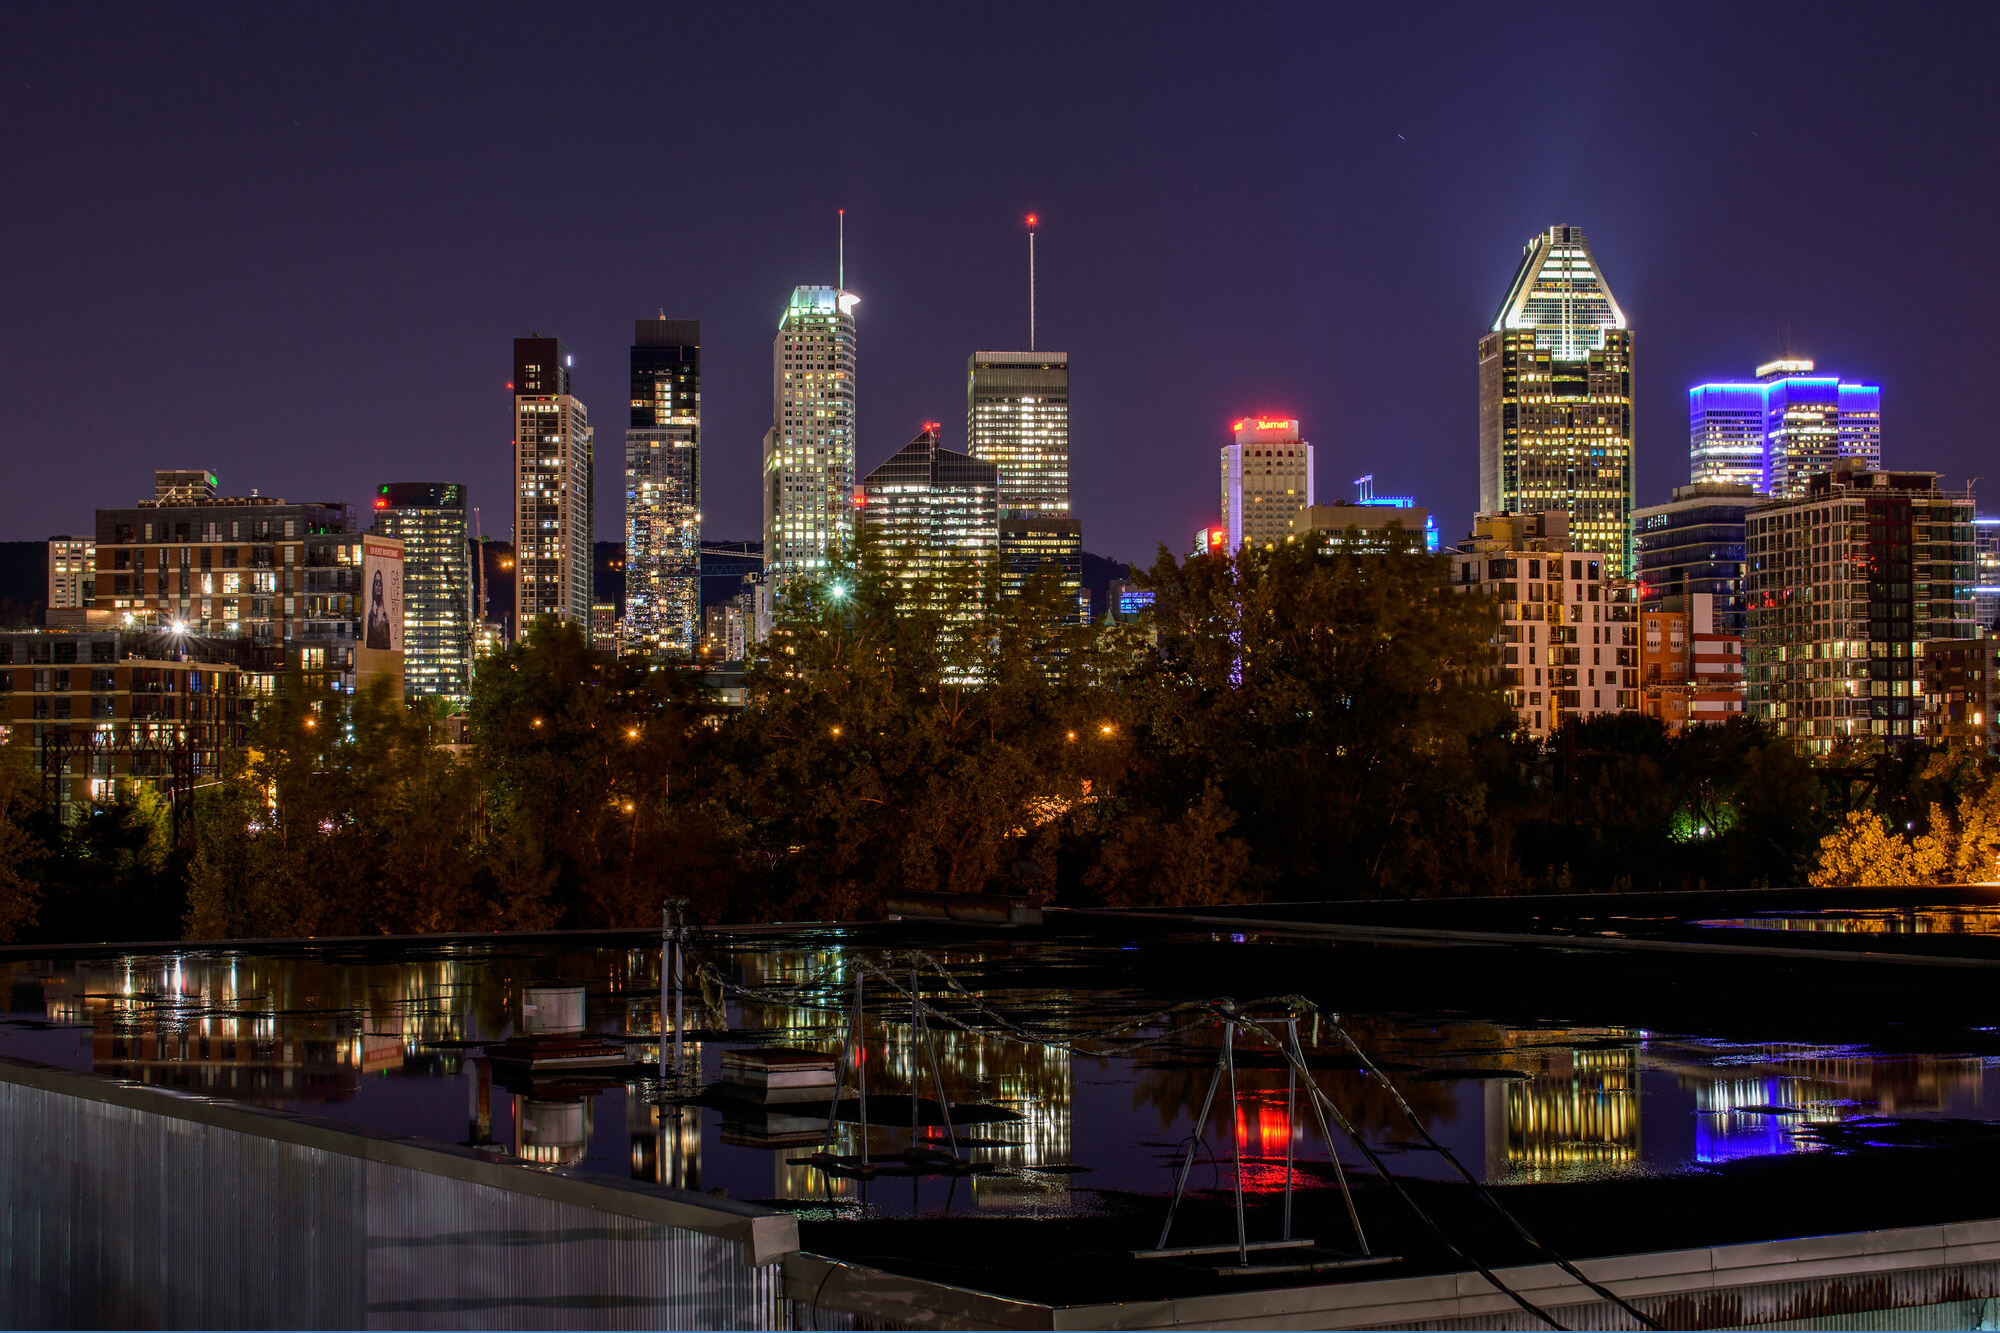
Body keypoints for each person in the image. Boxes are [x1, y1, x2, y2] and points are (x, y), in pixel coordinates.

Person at [365, 567, 394, 649]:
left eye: (380, 583)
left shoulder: (386, 615)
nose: (378, 586)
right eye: (376, 582)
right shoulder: (370, 613)